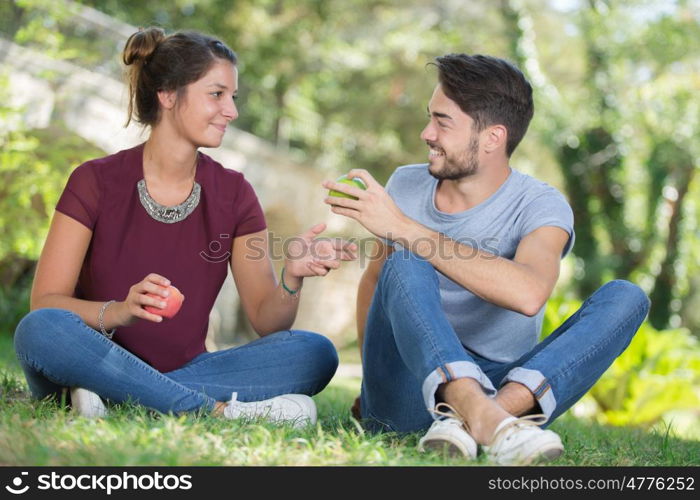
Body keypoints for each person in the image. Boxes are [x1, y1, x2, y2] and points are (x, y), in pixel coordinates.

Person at [14, 27, 356, 426]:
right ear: (168, 94)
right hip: (89, 357)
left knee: (313, 352)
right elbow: (47, 302)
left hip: (182, 369)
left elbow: (267, 320)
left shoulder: (234, 193)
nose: (232, 111)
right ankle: (212, 410)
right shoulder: (94, 181)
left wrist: (292, 277)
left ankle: (116, 399)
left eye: (233, 97)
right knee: (40, 329)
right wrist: (122, 311)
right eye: (216, 94)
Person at [322, 53, 650, 464]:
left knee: (626, 296)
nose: (427, 132)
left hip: (505, 386)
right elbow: (375, 282)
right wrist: (377, 379)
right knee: (404, 262)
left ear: (493, 138)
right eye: (430, 117)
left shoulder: (541, 205)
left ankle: (473, 419)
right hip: (410, 391)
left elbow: (529, 292)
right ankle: (487, 420)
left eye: (443, 122)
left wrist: (405, 228)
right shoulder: (405, 184)